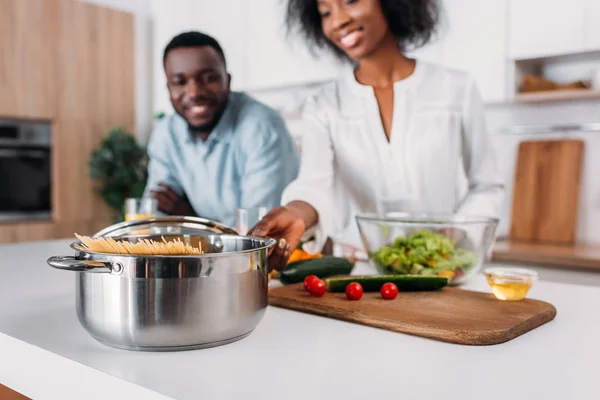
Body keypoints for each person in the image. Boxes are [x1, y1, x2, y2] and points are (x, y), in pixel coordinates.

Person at [249, 0, 505, 270]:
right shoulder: (324, 105)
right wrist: (295, 214)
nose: (337, 21)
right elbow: (314, 185)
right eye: (326, 12)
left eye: (350, 1)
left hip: (443, 267)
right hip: (360, 274)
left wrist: (453, 233)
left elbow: (487, 185)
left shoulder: (456, 88)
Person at [143, 31, 300, 228]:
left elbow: (257, 229)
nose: (194, 93)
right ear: (168, 88)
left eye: (208, 78)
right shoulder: (166, 133)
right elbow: (154, 217)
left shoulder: (262, 128)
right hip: (207, 254)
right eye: (180, 82)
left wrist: (190, 218)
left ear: (228, 80)